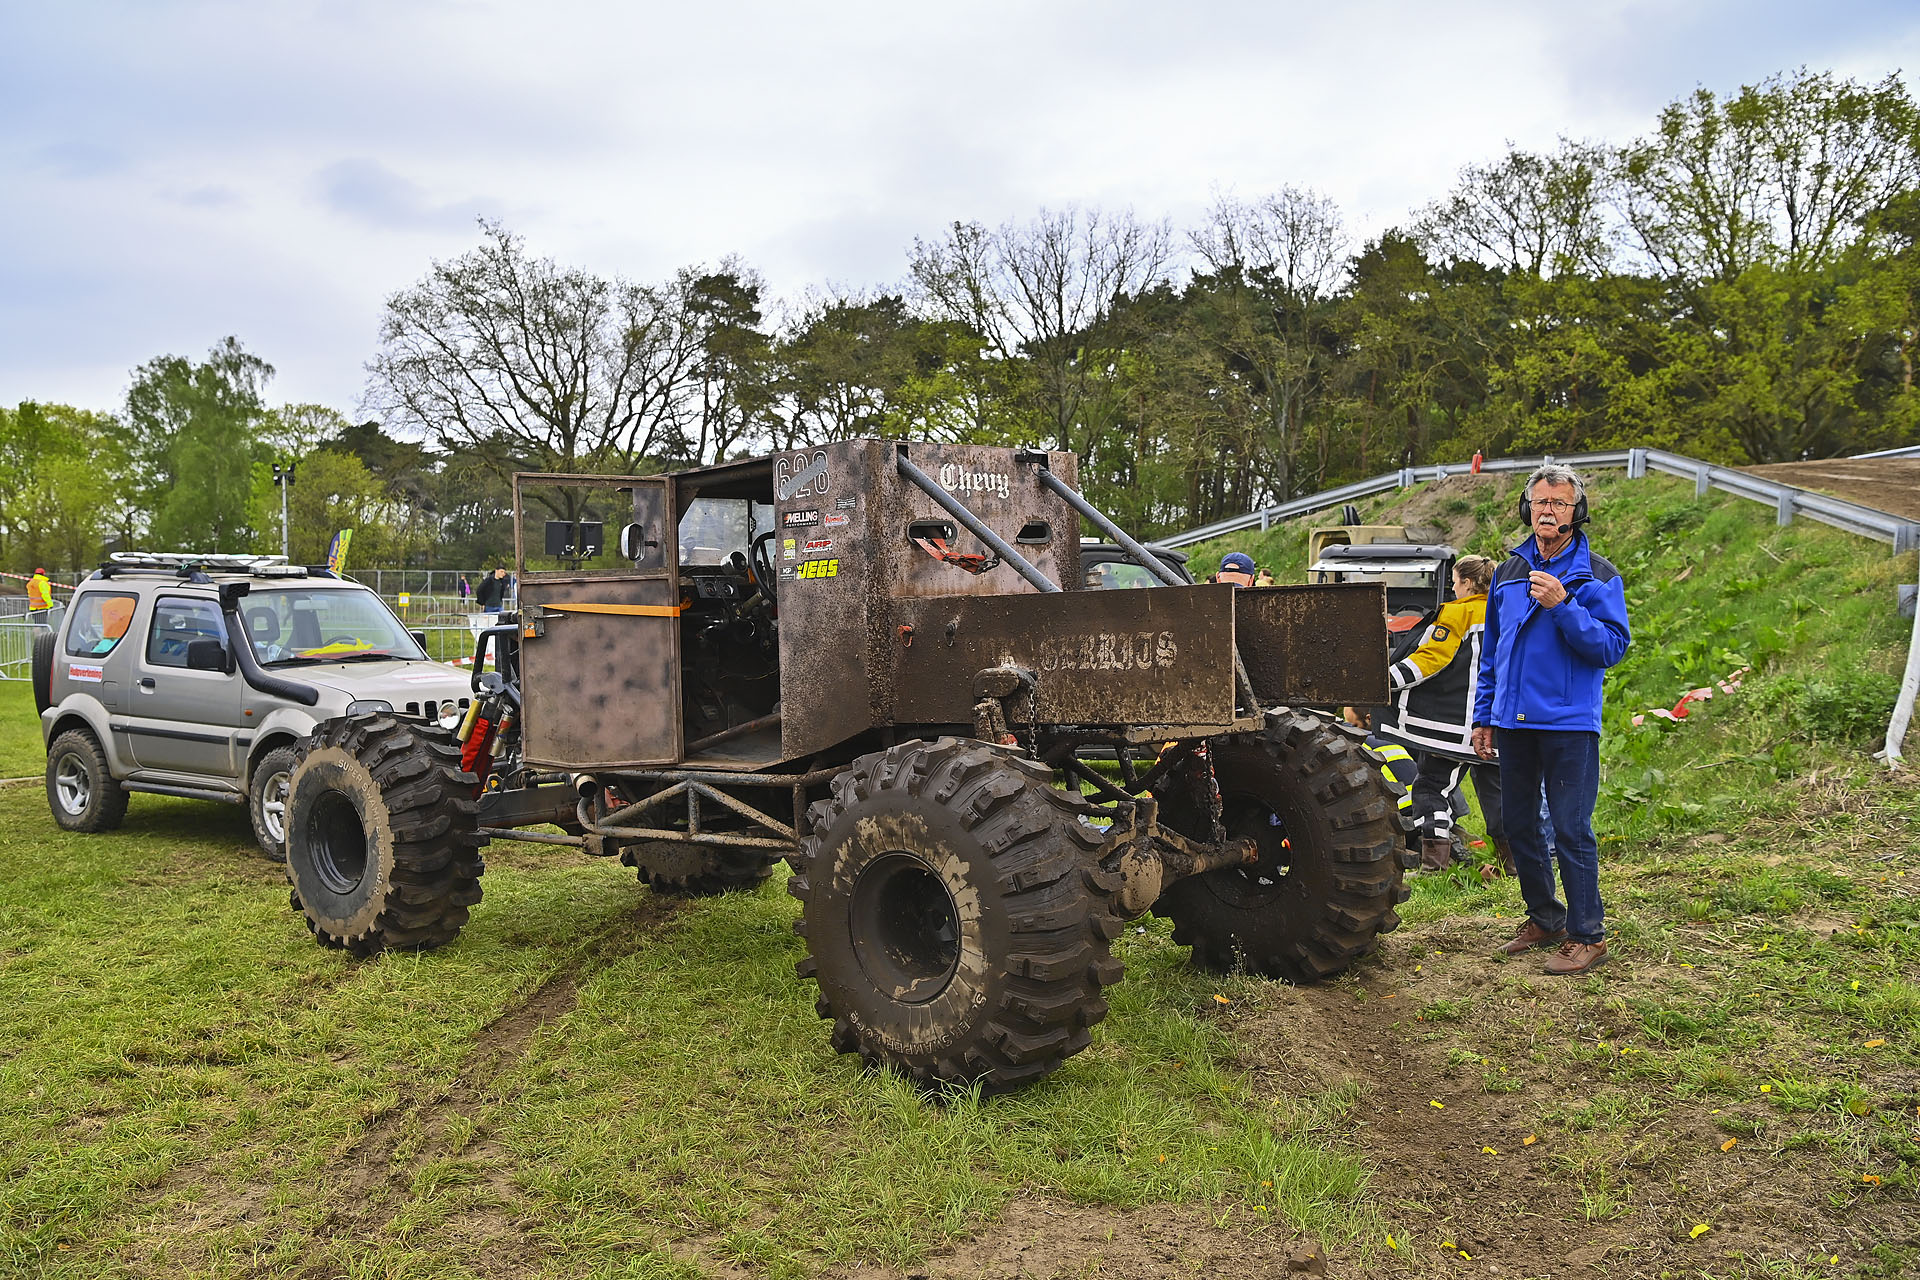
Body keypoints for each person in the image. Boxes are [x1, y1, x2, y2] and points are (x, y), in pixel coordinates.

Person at [1473, 464, 1630, 976]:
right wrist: (1484, 716)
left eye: (1560, 503)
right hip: (1513, 723)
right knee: (1518, 825)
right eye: (1541, 502)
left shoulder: (1598, 575)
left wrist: (1564, 607)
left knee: (1570, 830)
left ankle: (1589, 934)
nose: (1548, 510)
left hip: (1568, 724)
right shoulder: (1508, 571)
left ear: (1576, 512)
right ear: (1527, 509)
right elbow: (1492, 652)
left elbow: (1610, 647)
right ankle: (1545, 918)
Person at [1375, 555, 1507, 875]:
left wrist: (1384, 680)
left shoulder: (1458, 612)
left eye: (1455, 581)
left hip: (1454, 727)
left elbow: (1430, 659)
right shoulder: (1507, 612)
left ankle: (1435, 864)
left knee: (1430, 788)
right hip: (1500, 725)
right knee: (1500, 796)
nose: (1452, 587)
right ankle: (1515, 861)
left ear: (1469, 583)